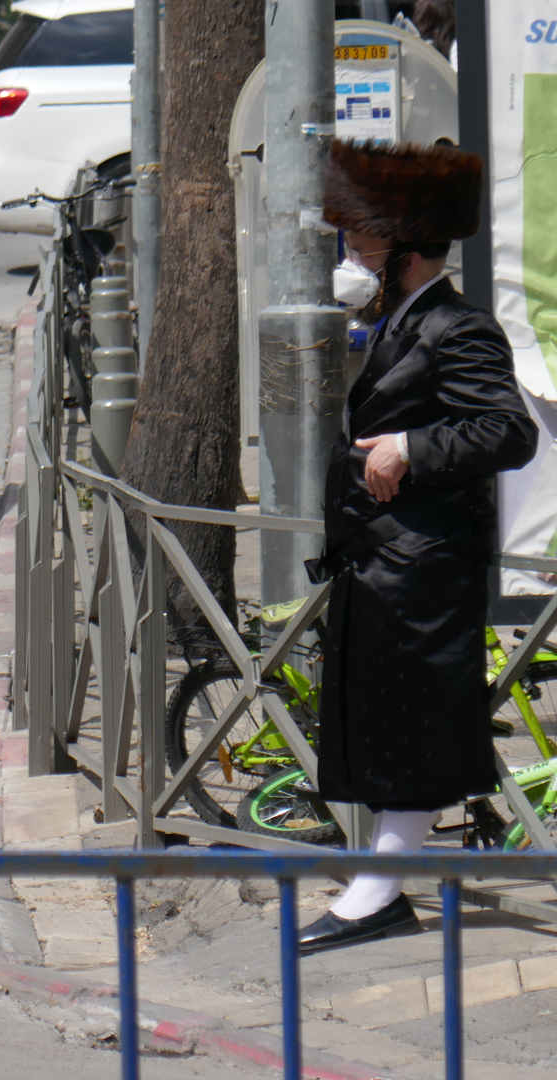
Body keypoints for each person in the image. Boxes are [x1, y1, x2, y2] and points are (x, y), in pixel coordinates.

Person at [299, 141, 538, 954]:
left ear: (404, 250)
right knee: (383, 727)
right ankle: (379, 875)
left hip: (423, 569)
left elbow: (507, 431)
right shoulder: (407, 319)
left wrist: (411, 447)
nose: (352, 257)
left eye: (363, 244)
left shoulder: (456, 325)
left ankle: (382, 888)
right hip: (388, 565)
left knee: (411, 731)